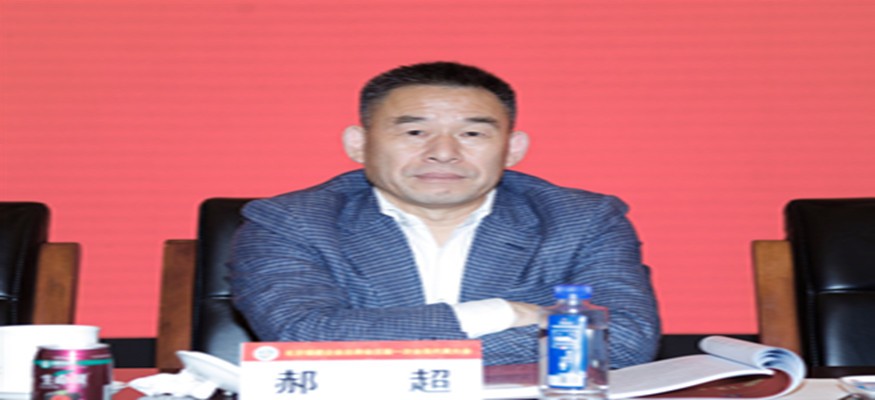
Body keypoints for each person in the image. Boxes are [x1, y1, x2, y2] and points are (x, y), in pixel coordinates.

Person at [229, 61, 660, 367]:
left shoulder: (582, 220)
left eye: (471, 133)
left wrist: (386, 348)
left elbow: (624, 341)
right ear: (358, 144)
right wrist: (501, 314)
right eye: (415, 131)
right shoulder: (290, 222)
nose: (443, 152)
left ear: (512, 149)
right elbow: (305, 336)